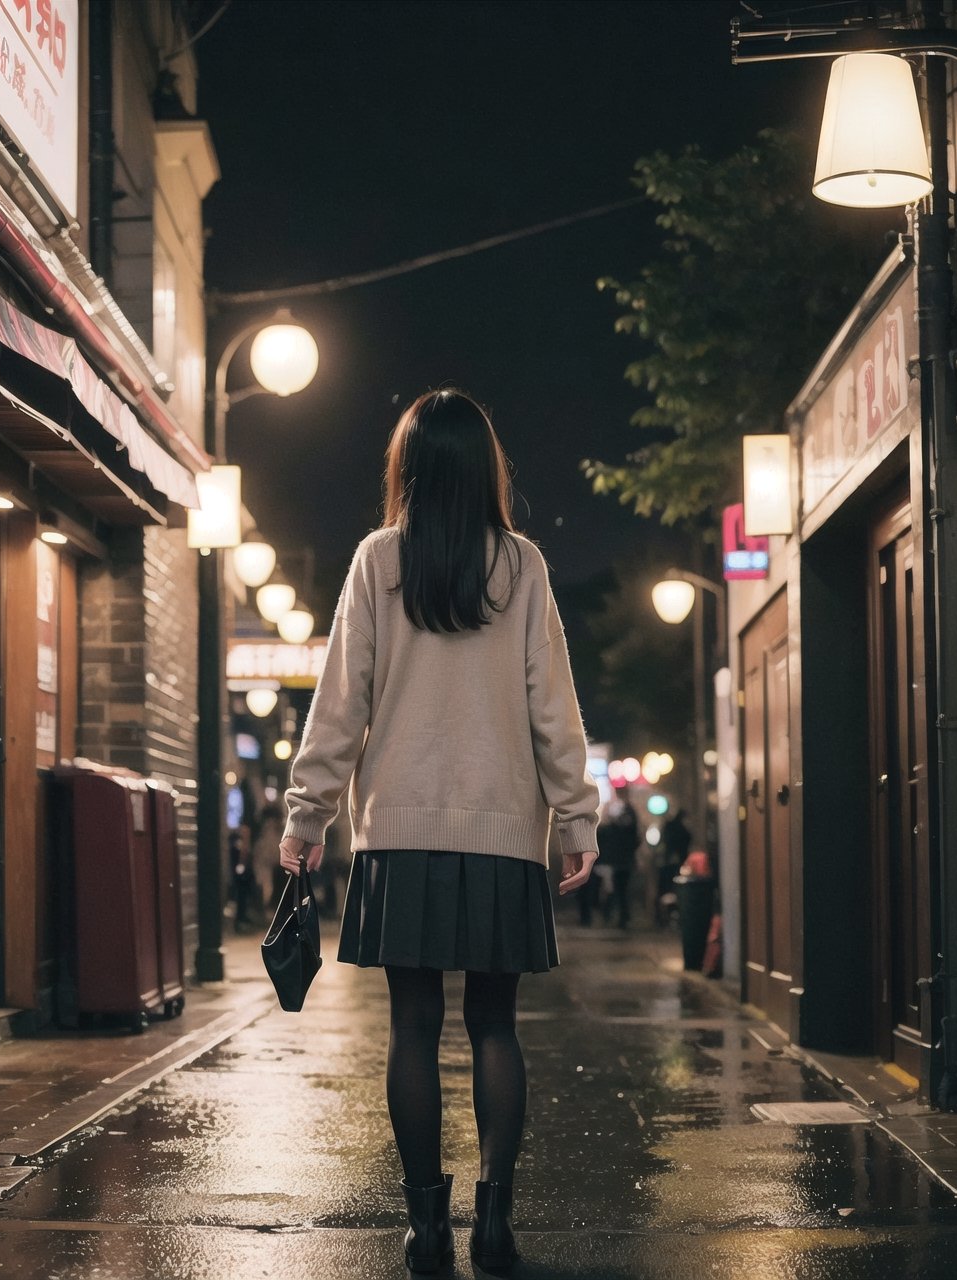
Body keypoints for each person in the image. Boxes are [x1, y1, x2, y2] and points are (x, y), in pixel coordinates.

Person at [278, 389, 600, 1273]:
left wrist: (307, 814)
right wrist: (575, 818)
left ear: (408, 469)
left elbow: (340, 703)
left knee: (413, 1027)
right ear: (485, 469)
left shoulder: (380, 559)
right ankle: (496, 1222)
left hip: (401, 834)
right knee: (495, 1026)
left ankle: (427, 1230)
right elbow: (552, 704)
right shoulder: (522, 565)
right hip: (503, 833)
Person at [598, 796, 640, 929]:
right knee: (621, 890)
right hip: (622, 863)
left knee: (616, 890)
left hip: (617, 863)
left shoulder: (611, 830)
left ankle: (615, 915)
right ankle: (621, 916)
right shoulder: (627, 830)